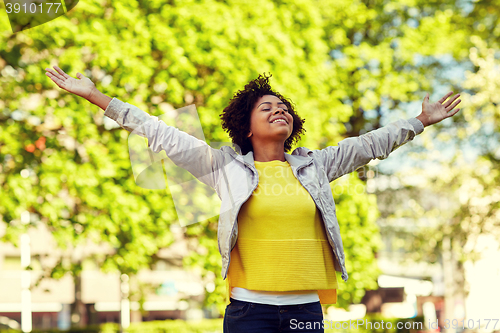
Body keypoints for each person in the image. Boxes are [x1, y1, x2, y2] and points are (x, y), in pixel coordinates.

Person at [45, 66, 461, 332]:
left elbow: (371, 144)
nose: (280, 110)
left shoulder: (317, 166)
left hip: (305, 314)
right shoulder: (223, 168)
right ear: (247, 126)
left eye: (284, 108)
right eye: (268, 107)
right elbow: (161, 133)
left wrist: (420, 121)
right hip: (249, 315)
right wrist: (98, 97)